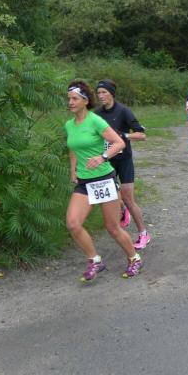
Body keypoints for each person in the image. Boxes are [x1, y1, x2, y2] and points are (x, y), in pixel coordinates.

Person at [65, 80, 143, 282]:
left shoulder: (96, 121)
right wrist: (73, 171)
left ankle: (134, 258)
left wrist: (103, 157)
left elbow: (118, 143)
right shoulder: (69, 125)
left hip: (103, 180)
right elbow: (73, 149)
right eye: (69, 99)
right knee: (73, 224)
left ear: (85, 100)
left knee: (112, 227)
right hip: (84, 182)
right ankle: (94, 260)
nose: (70, 102)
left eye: (75, 99)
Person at [95, 79, 151, 250]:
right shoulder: (96, 114)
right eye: (98, 93)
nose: (100, 96)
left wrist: (123, 136)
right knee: (112, 196)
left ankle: (143, 233)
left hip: (124, 159)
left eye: (104, 92)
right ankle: (122, 209)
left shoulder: (123, 111)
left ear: (111, 93)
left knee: (128, 198)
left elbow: (142, 135)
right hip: (107, 161)